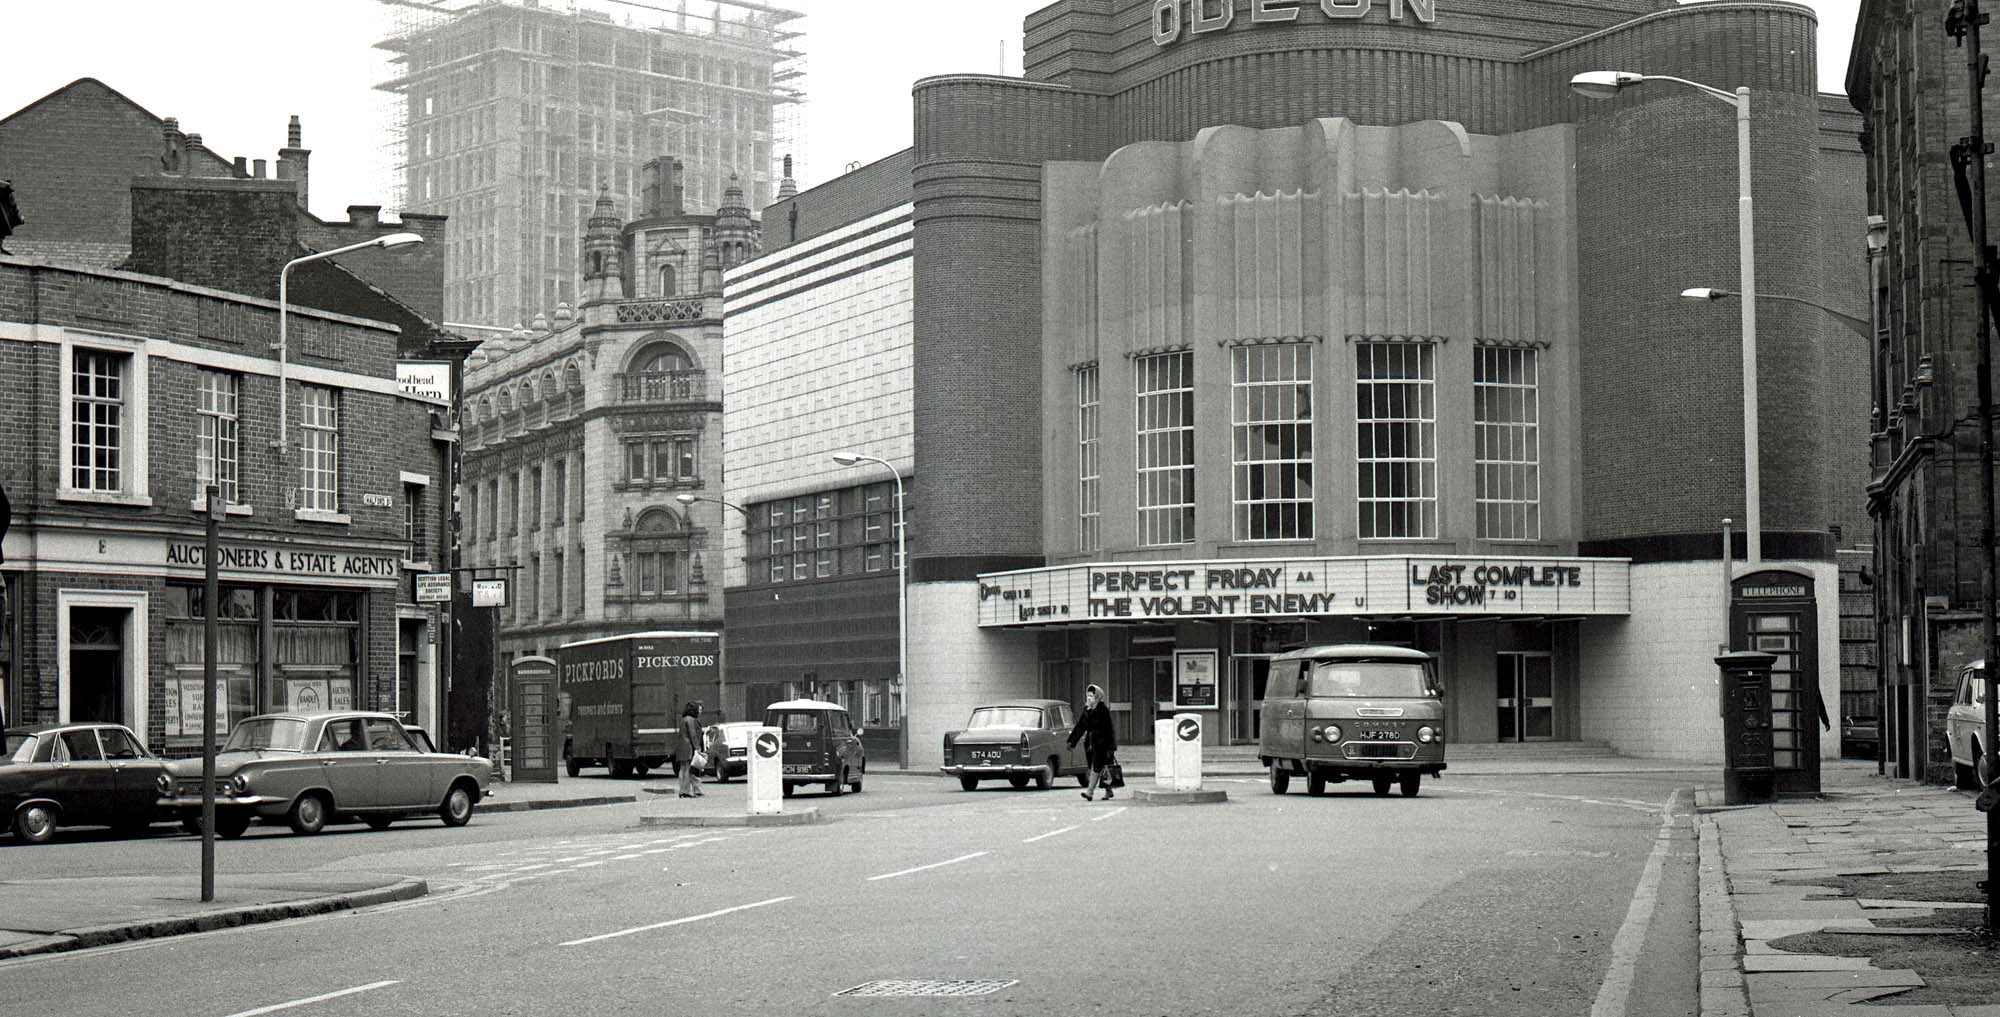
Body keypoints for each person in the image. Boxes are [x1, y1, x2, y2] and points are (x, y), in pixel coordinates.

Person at [1067, 684, 1118, 801]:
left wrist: (1111, 747)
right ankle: (1108, 791)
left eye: (1091, 696)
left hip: (1102, 744)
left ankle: (1089, 792)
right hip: (1090, 744)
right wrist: (1071, 742)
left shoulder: (1103, 710)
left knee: (1096, 767)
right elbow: (1080, 727)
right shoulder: (1087, 710)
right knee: (1098, 768)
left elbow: (1109, 729)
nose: (1088, 698)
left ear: (1097, 697)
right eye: (1088, 695)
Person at [676, 700, 705, 798]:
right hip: (688, 746)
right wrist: (697, 747)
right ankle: (687, 791)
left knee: (682, 769)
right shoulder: (691, 720)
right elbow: (693, 735)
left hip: (681, 746)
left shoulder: (683, 719)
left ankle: (681, 790)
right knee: (688, 769)